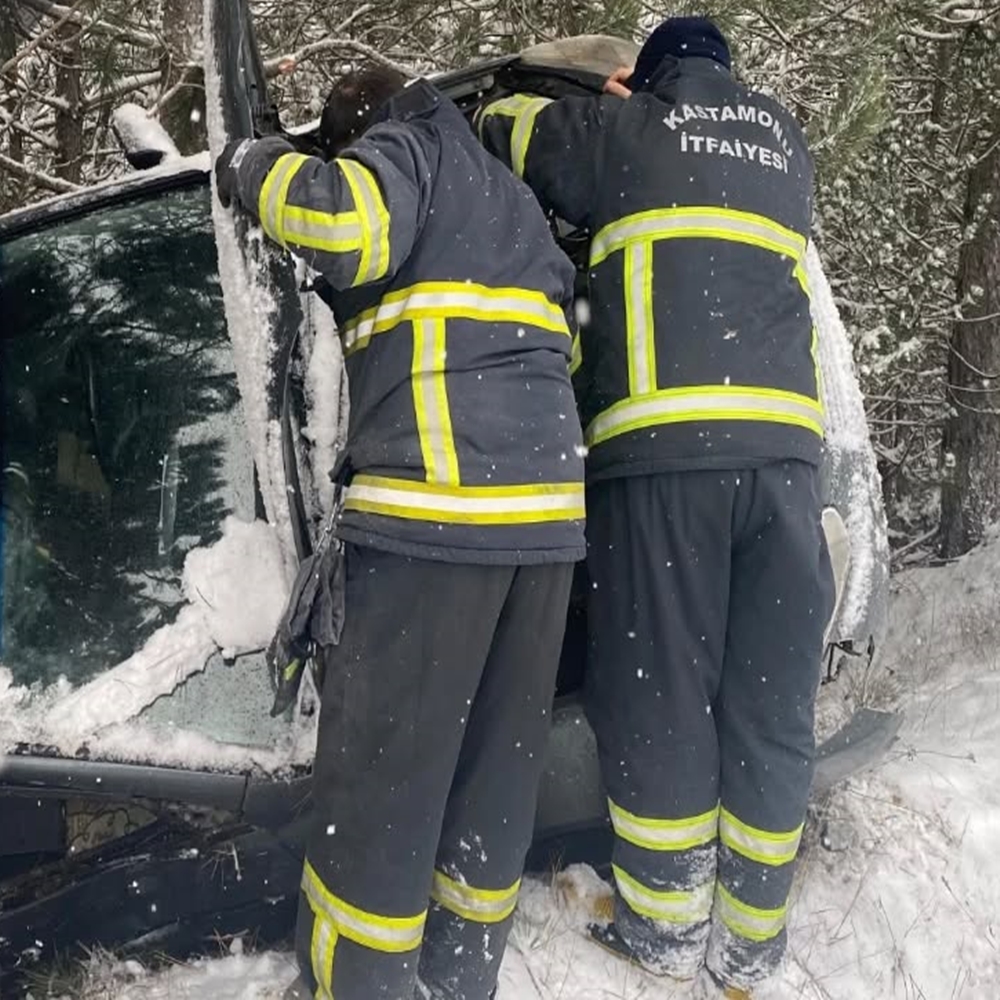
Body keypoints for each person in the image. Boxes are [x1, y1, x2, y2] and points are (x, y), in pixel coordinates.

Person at [478, 17, 835, 999]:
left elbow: (506, 128)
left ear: (649, 75)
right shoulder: (781, 142)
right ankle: (751, 949)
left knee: (661, 693)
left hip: (664, 458)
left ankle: (665, 929)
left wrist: (596, 104)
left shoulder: (626, 134)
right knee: (768, 702)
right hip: (786, 466)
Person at [215, 65, 586, 1000]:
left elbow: (342, 222)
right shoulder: (512, 200)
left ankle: (357, 984)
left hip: (438, 520)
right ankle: (459, 977)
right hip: (542, 534)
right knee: (491, 781)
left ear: (358, 131)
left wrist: (248, 162)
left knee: (380, 792)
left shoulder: (406, 148)